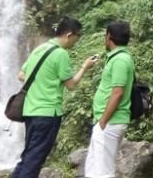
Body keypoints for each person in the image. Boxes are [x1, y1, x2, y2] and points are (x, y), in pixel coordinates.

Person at [11, 17, 98, 178]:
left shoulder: (40, 48)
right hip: (48, 114)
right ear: (69, 34)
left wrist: (43, 82)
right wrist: (85, 67)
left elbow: (22, 75)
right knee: (34, 161)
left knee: (28, 158)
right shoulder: (60, 54)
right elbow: (71, 85)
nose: (77, 41)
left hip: (30, 112)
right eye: (77, 36)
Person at [84, 21, 135, 178]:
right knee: (94, 167)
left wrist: (103, 121)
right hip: (105, 121)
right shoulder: (116, 58)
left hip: (110, 122)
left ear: (109, 37)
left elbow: (117, 93)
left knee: (103, 171)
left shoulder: (120, 60)